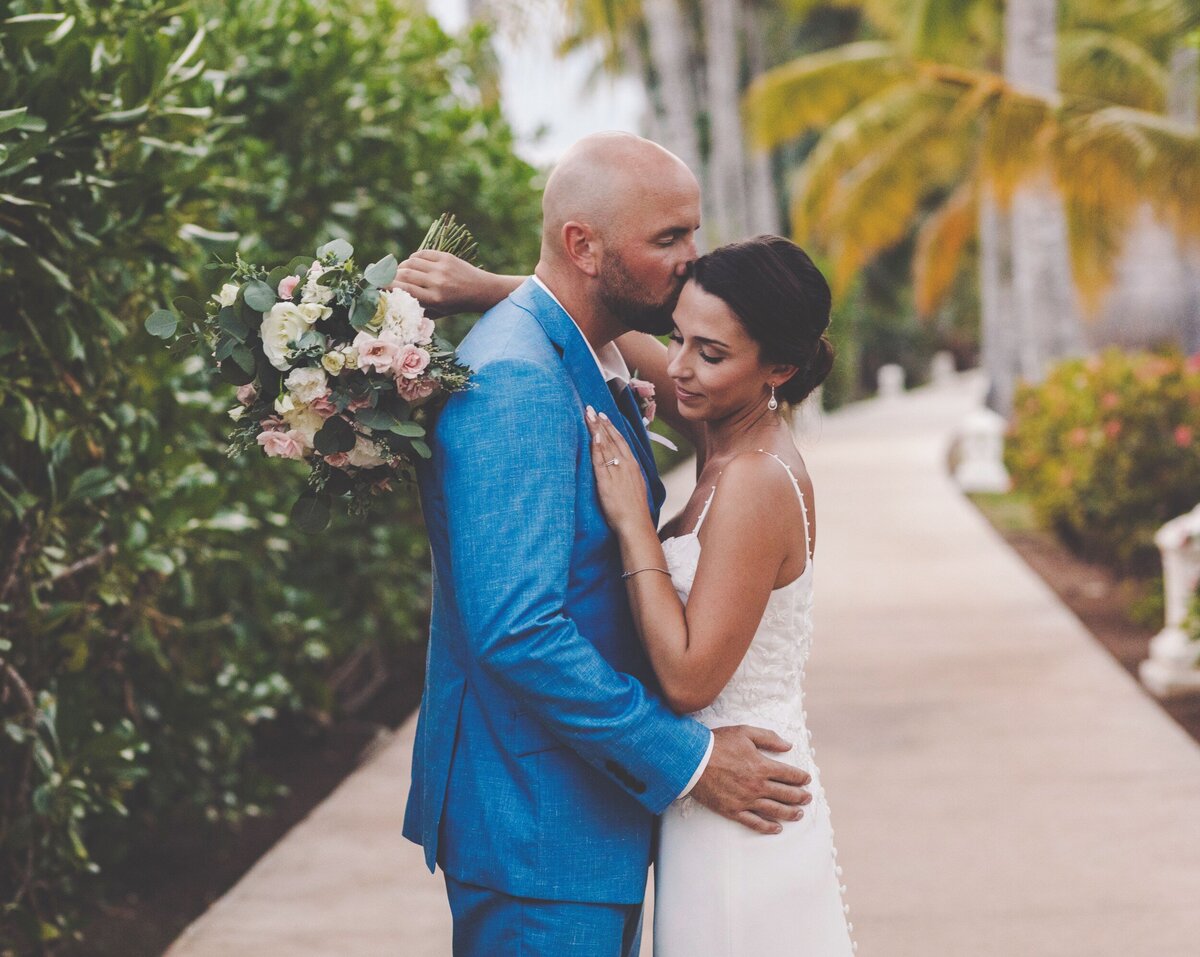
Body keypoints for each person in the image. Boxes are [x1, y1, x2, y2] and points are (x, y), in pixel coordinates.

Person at [401, 132, 813, 957]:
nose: (693, 262)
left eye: (694, 232)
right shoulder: (518, 378)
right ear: (582, 246)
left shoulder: (582, 348)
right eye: (669, 239)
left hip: (584, 820)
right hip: (539, 829)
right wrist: (690, 761)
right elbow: (517, 630)